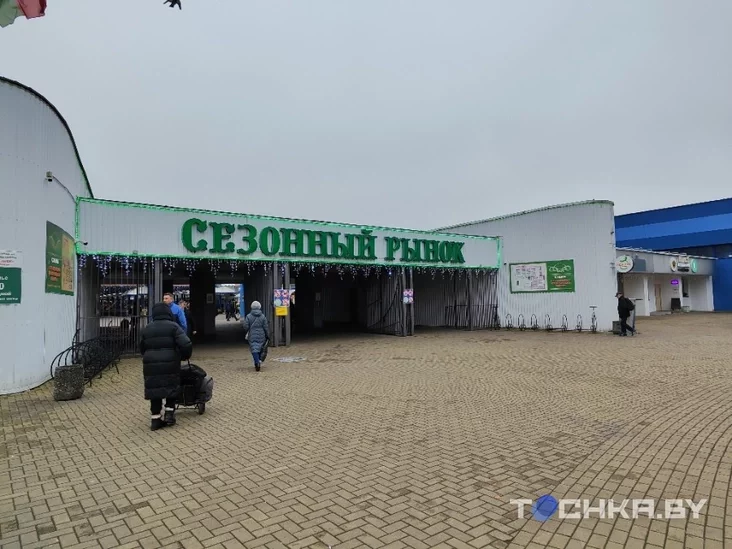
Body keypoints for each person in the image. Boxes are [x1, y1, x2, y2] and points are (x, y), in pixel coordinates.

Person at [139, 303, 193, 430]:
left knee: (155, 390)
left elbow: (141, 347)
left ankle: (155, 419)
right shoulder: (173, 327)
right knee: (171, 387)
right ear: (168, 313)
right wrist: (184, 356)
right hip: (170, 363)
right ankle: (169, 414)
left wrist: (148, 355)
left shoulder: (147, 328)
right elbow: (186, 343)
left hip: (151, 364)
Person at [241, 301, 269, 372]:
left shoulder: (248, 316)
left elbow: (245, 327)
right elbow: (266, 327)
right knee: (260, 348)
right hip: (261, 335)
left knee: (254, 349)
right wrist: (267, 335)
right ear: (259, 307)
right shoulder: (263, 316)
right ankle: (258, 361)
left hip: (252, 335)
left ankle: (257, 362)